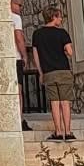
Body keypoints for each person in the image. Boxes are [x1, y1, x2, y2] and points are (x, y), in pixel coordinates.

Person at [31, 7, 76, 142]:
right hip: (63, 71)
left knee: (54, 102)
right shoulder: (62, 33)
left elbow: (36, 56)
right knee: (65, 101)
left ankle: (58, 132)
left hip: (49, 72)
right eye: (59, 16)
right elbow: (70, 52)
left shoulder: (37, 34)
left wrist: (40, 73)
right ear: (53, 17)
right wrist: (64, 50)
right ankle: (68, 132)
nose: (61, 19)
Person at [10, 0, 31, 131]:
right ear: (11, 3)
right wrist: (24, 55)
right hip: (15, 57)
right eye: (19, 5)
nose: (21, 8)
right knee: (18, 90)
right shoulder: (16, 18)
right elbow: (19, 38)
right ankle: (19, 118)